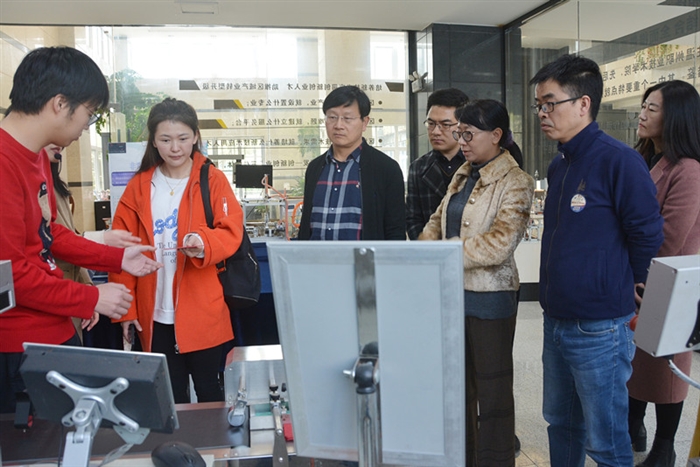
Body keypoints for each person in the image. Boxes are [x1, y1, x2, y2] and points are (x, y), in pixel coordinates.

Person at [0, 46, 161, 414]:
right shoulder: (4, 163)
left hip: (54, 332)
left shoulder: (37, 155)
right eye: (88, 114)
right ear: (60, 104)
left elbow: (49, 233)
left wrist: (117, 257)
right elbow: (11, 275)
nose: (87, 126)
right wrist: (90, 298)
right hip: (19, 346)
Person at [530, 53, 664, 467]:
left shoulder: (619, 160)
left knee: (606, 438)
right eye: (539, 105)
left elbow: (647, 233)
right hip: (555, 320)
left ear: (583, 103)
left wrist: (631, 285)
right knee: (561, 423)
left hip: (599, 327)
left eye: (550, 103)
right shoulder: (560, 164)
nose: (542, 114)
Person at [420, 99, 534, 466]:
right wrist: (421, 252)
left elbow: (500, 243)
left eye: (468, 134)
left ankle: (496, 460)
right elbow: (437, 221)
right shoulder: (464, 173)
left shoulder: (516, 181)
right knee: (459, 389)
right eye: (460, 134)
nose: (462, 142)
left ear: (496, 135)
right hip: (453, 296)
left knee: (493, 391)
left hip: (490, 299)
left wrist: (446, 253)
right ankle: (464, 458)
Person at [109, 98, 244, 404]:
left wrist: (203, 242)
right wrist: (125, 310)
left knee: (211, 394)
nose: (175, 148)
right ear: (153, 141)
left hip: (203, 309)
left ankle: (213, 438)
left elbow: (231, 231)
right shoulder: (139, 186)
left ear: (195, 136)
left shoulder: (213, 180)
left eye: (183, 138)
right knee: (169, 399)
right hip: (153, 313)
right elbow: (122, 250)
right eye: (165, 139)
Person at [627, 80, 700, 467]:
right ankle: (633, 428)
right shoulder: (644, 158)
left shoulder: (688, 169)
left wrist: (635, 273)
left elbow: (670, 237)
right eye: (643, 106)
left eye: (651, 109)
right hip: (639, 279)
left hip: (669, 283)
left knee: (667, 367)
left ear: (676, 117)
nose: (642, 114)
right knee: (637, 364)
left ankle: (664, 447)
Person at [45, 144, 143, 342]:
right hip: (51, 300)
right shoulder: (27, 181)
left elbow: (69, 239)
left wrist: (88, 288)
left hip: (70, 297)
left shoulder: (54, 184)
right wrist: (103, 242)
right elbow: (52, 239)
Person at [297, 85, 406, 240]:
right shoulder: (315, 168)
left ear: (364, 122)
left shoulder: (386, 168)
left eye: (347, 118)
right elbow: (306, 227)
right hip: (317, 256)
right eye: (332, 117)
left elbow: (395, 231)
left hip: (364, 256)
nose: (338, 125)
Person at [406, 88, 469, 240]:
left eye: (445, 125)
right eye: (431, 123)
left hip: (470, 249)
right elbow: (412, 219)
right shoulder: (418, 168)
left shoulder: (477, 165)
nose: (435, 131)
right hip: (430, 249)